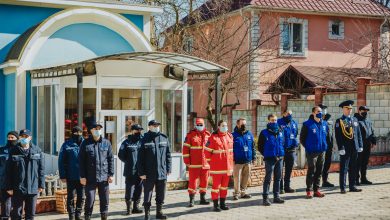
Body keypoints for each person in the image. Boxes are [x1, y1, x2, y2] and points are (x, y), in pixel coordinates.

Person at [6, 129, 45, 220]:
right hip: (18, 188)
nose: (24, 138)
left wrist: (41, 185)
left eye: (26, 136)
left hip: (33, 187)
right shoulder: (13, 151)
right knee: (16, 214)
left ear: (30, 138)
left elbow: (41, 169)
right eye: (22, 136)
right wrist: (9, 187)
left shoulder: (37, 150)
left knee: (30, 214)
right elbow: (8, 171)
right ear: (19, 138)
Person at [79, 122, 114, 220]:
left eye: (99, 128)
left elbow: (111, 159)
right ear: (91, 130)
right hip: (90, 177)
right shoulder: (85, 143)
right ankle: (87, 216)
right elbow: (81, 161)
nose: (97, 130)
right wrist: (82, 176)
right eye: (95, 128)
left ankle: (104, 216)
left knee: (105, 200)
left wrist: (111, 174)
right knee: (90, 199)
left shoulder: (106, 142)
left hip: (104, 177)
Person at [137, 120, 172, 220]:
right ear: (149, 127)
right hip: (148, 173)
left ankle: (159, 212)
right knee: (148, 193)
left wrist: (168, 168)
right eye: (154, 125)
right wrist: (141, 173)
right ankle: (147, 214)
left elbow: (168, 155)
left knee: (161, 193)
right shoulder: (144, 139)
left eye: (157, 125)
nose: (156, 127)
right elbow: (140, 158)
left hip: (162, 172)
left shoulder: (164, 138)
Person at [335, 100, 363, 194]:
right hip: (345, 148)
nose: (349, 110)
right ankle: (342, 187)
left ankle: (352, 186)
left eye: (350, 108)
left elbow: (358, 133)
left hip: (354, 147)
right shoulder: (340, 121)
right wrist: (341, 148)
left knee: (353, 167)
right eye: (347, 108)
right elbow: (338, 136)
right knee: (344, 168)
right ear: (343, 109)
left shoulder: (355, 120)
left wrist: (360, 145)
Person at [205, 120, 234, 212]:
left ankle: (222, 204)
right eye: (222, 125)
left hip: (227, 168)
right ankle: (215, 205)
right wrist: (212, 163)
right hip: (217, 169)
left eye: (226, 125)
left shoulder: (230, 136)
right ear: (218, 126)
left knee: (224, 187)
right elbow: (206, 153)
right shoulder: (213, 137)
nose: (225, 127)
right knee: (215, 187)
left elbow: (231, 153)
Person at [300, 106, 328, 199]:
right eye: (318, 111)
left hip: (321, 151)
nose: (320, 113)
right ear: (313, 113)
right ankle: (309, 190)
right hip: (311, 152)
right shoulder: (307, 124)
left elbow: (326, 136)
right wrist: (309, 147)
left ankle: (316, 190)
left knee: (319, 171)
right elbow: (302, 139)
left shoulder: (324, 123)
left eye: (321, 111)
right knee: (311, 170)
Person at [182, 118, 211, 207]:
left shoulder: (208, 135)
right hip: (194, 164)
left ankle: (202, 199)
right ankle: (192, 200)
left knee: (204, 182)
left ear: (204, 125)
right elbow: (185, 149)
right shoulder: (190, 135)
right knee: (192, 182)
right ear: (195, 125)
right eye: (198, 125)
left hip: (205, 164)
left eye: (201, 124)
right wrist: (187, 162)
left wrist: (211, 162)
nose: (199, 126)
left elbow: (211, 150)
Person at [58, 126, 85, 220]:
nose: (78, 134)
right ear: (72, 133)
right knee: (71, 197)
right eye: (76, 132)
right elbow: (61, 161)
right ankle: (71, 216)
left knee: (81, 197)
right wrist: (62, 175)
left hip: (83, 177)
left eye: (80, 132)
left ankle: (78, 215)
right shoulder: (67, 144)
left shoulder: (85, 143)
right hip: (71, 176)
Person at [258, 114, 285, 206]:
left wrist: (280, 153)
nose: (274, 122)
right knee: (268, 179)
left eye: (275, 120)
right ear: (268, 121)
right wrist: (267, 154)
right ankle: (265, 198)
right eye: (272, 120)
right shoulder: (264, 132)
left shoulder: (280, 131)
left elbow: (283, 143)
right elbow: (260, 146)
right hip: (270, 159)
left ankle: (276, 196)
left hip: (280, 158)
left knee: (278, 178)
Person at [118, 124, 144, 215]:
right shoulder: (126, 142)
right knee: (129, 190)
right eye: (137, 130)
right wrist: (129, 162)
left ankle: (136, 208)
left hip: (141, 171)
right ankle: (128, 209)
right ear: (132, 131)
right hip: (130, 171)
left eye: (140, 130)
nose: (139, 132)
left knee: (139, 189)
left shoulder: (143, 141)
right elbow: (121, 155)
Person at [232, 118, 255, 200]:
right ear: (238, 125)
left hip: (248, 160)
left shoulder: (249, 134)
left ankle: (243, 193)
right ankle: (236, 193)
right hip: (237, 161)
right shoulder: (233, 135)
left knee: (246, 177)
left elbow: (253, 147)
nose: (244, 125)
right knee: (236, 178)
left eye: (245, 124)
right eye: (242, 124)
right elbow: (231, 149)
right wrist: (232, 160)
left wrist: (253, 158)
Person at [277, 110, 298, 194]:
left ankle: (287, 187)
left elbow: (296, 133)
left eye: (291, 114)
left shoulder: (293, 123)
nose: (290, 115)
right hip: (282, 150)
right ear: (284, 114)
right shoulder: (278, 122)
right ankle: (280, 188)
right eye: (288, 114)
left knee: (289, 169)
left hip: (291, 149)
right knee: (280, 169)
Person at [354, 106, 377, 185]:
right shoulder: (355, 120)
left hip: (367, 144)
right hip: (359, 145)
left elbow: (371, 131)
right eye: (364, 110)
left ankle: (363, 178)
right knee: (358, 162)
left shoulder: (368, 120)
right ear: (359, 111)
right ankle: (356, 179)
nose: (366, 112)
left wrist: (373, 141)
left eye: (367, 111)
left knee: (365, 162)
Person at [0, 131, 18, 219]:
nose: (10, 139)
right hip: (4, 181)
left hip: (17, 181)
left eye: (12, 138)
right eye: (9, 137)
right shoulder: (2, 150)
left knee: (16, 204)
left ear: (17, 139)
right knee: (5, 203)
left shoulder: (19, 150)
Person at [319, 104, 335, 188]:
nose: (324, 111)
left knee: (327, 163)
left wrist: (333, 144)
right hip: (321, 146)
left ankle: (325, 180)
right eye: (322, 109)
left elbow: (331, 134)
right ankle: (315, 182)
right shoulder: (317, 120)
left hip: (329, 146)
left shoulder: (329, 120)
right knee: (319, 164)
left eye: (325, 109)